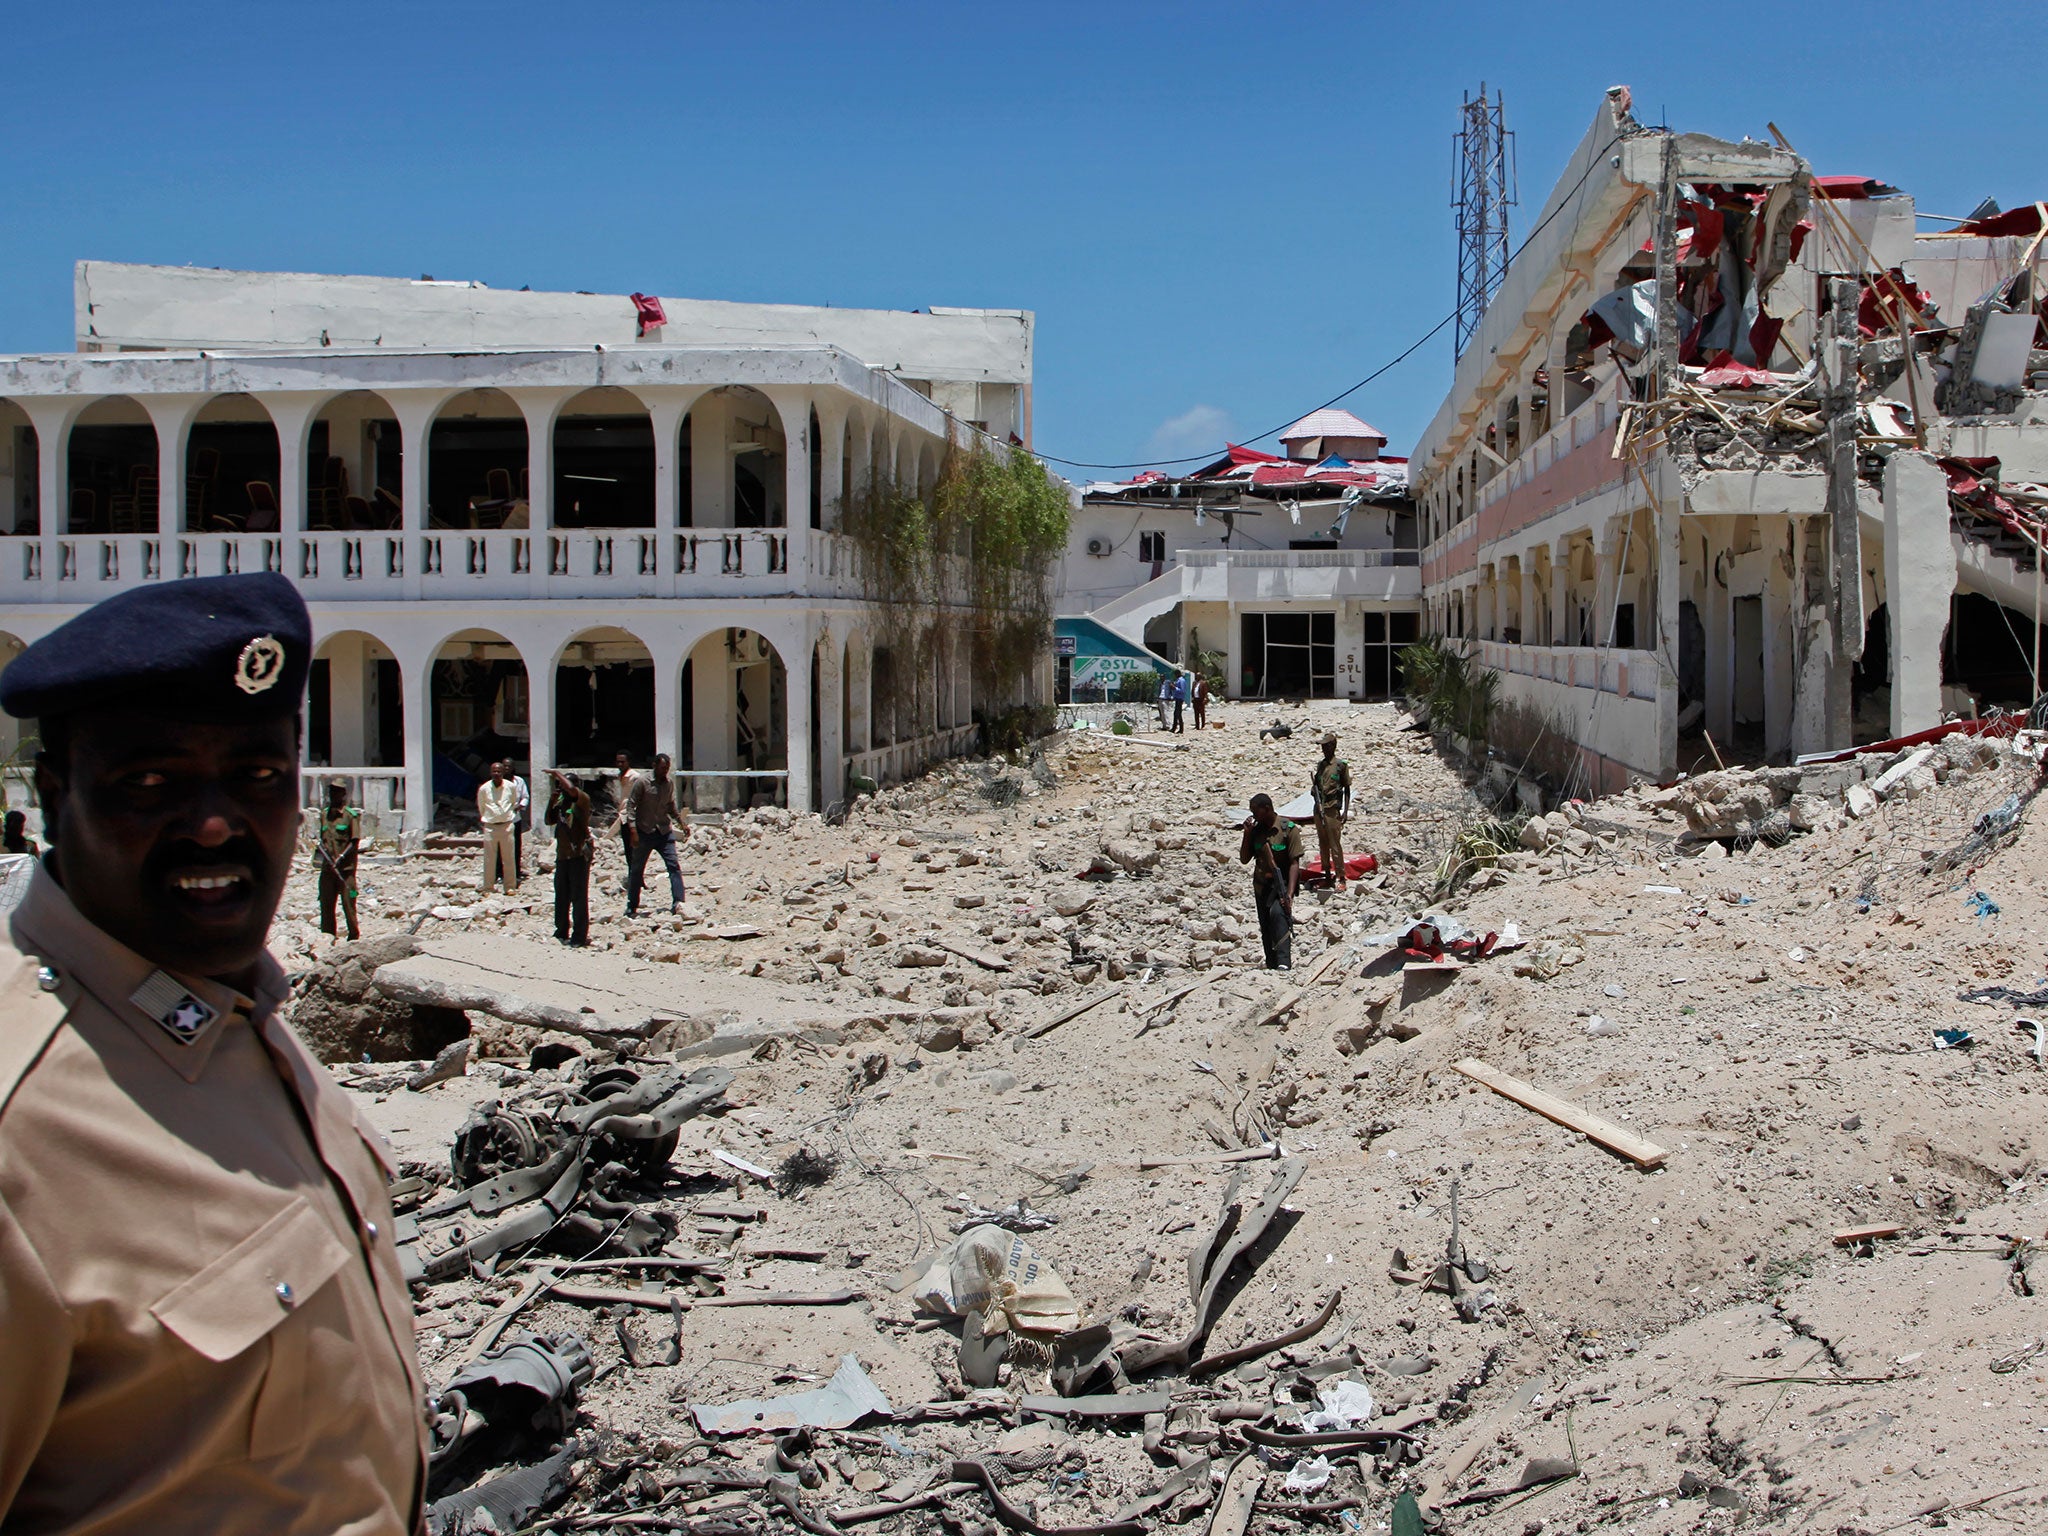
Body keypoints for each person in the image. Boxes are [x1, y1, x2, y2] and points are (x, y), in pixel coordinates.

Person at [0, 572, 425, 1533]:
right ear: (56, 794)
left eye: (257, 777)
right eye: (151, 783)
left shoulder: (243, 1023)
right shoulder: (22, 1129)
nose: (216, 822)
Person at [617, 751, 688, 917]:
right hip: (644, 831)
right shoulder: (643, 782)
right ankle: (632, 905)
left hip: (663, 831)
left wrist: (681, 823)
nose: (665, 771)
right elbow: (631, 807)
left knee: (674, 866)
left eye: (667, 768)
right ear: (654, 766)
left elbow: (670, 805)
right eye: (662, 768)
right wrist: (633, 830)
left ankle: (679, 902)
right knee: (637, 870)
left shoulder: (668, 784)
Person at [1238, 791, 1303, 970]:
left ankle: (1283, 962)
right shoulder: (1256, 831)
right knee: (1265, 923)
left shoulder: (1287, 829)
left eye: (1256, 811)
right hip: (1261, 886)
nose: (1253, 815)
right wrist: (1247, 834)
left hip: (1280, 884)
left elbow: (1294, 863)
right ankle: (1271, 962)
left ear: (1267, 809)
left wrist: (1289, 893)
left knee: (1279, 916)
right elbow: (1244, 859)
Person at [544, 769, 592, 946]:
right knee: (561, 895)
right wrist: (552, 801)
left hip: (578, 854)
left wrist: (557, 773)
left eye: (563, 786)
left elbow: (571, 789)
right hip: (563, 855)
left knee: (578, 896)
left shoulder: (582, 800)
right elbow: (549, 820)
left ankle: (579, 936)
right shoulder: (562, 803)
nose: (562, 789)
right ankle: (561, 931)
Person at [315, 777, 362, 941]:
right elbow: (323, 839)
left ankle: (354, 937)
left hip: (345, 870)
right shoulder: (324, 815)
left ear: (343, 794)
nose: (332, 794)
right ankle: (328, 938)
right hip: (327, 870)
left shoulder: (350, 816)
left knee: (349, 905)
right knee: (326, 905)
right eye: (331, 791)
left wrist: (341, 858)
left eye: (336, 791)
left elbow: (354, 842)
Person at [1310, 732, 1353, 891]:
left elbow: (1347, 789)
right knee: (1323, 844)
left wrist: (1345, 811)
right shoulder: (1321, 765)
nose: (1323, 749)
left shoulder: (1341, 765)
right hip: (1319, 809)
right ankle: (1327, 875)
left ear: (1332, 746)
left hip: (1332, 809)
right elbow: (1315, 786)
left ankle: (1341, 877)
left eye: (1325, 746)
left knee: (1335, 845)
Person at [477, 760, 518, 895]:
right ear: (490, 772)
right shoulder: (484, 789)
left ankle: (510, 887)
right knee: (489, 859)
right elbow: (481, 807)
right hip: (490, 827)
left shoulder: (510, 787)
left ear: (503, 773)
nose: (496, 774)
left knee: (509, 858)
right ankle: (488, 887)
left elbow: (513, 802)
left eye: (499, 771)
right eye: (494, 771)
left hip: (506, 826)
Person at [612, 752, 638, 866]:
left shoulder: (634, 777)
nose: (620, 764)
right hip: (623, 816)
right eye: (618, 762)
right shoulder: (620, 776)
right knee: (628, 849)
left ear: (629, 762)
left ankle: (636, 877)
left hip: (632, 817)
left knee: (634, 849)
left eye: (623, 762)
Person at [510, 766, 531, 881]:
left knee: (516, 846)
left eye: (509, 766)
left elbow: (525, 797)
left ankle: (516, 871)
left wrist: (520, 806)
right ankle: (499, 872)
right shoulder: (498, 782)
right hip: (501, 820)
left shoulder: (519, 781)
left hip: (515, 818)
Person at [1172, 669, 1189, 733]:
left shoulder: (1181, 680)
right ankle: (1174, 728)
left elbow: (1182, 690)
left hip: (1180, 698)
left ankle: (1181, 729)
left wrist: (1174, 688)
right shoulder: (1178, 680)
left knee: (1178, 714)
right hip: (1177, 698)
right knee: (1176, 713)